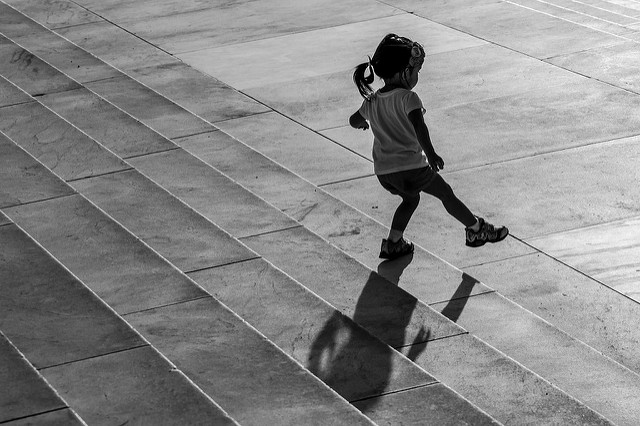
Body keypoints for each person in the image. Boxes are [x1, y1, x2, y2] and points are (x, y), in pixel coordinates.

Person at [349, 33, 508, 260]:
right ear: (405, 71)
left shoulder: (372, 100)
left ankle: (393, 243)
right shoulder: (408, 98)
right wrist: (431, 154)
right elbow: (419, 127)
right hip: (412, 167)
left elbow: (353, 121)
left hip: (384, 172)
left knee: (411, 199)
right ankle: (476, 229)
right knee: (446, 194)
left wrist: (365, 122)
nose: (417, 76)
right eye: (417, 71)